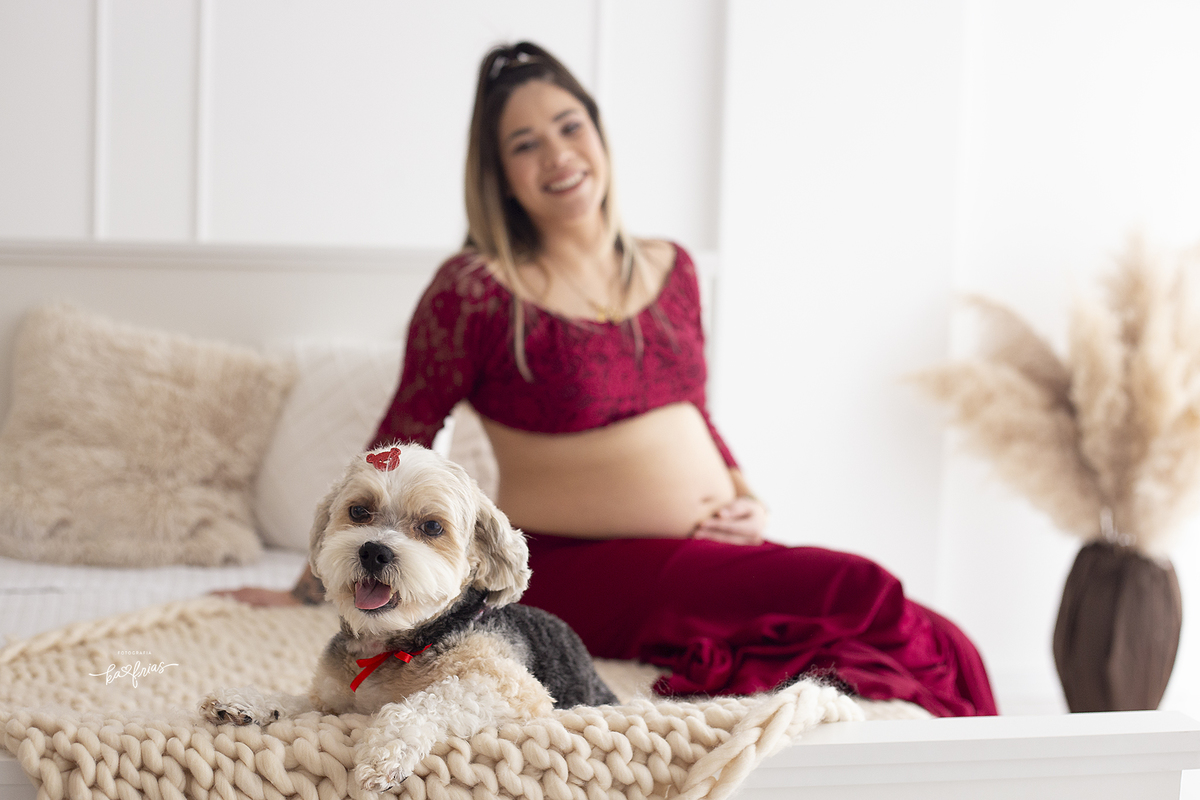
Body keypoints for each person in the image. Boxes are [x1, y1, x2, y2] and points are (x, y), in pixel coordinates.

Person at [219, 41, 996, 717]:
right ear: (501, 176)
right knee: (863, 588)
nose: (556, 154)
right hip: (577, 567)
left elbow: (690, 408)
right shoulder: (478, 290)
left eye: (569, 127)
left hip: (690, 553)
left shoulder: (674, 266)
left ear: (599, 136)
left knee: (943, 638)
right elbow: (399, 441)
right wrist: (311, 583)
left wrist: (741, 489)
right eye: (524, 144)